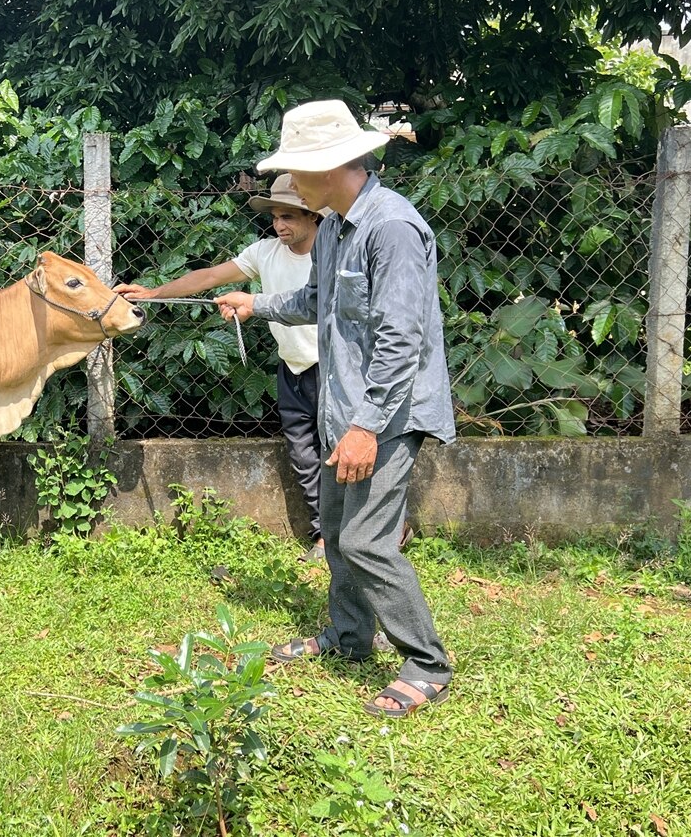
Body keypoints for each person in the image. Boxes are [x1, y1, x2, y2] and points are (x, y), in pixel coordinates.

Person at [215, 100, 456, 718]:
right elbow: (318, 300)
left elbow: (403, 338)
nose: (289, 184)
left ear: (333, 166)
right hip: (339, 410)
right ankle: (349, 637)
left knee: (369, 541)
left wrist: (365, 428)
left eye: (298, 170)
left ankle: (426, 662)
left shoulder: (392, 227)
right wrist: (257, 304)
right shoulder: (337, 229)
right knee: (338, 535)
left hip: (385, 417)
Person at [115, 175, 329, 561]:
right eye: (276, 217)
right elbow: (211, 276)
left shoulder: (333, 252)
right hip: (292, 367)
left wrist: (254, 301)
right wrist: (153, 292)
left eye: (289, 217)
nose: (280, 225)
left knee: (339, 452)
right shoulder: (265, 252)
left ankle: (381, 529)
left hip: (333, 367)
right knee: (303, 454)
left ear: (313, 215)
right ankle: (324, 536)